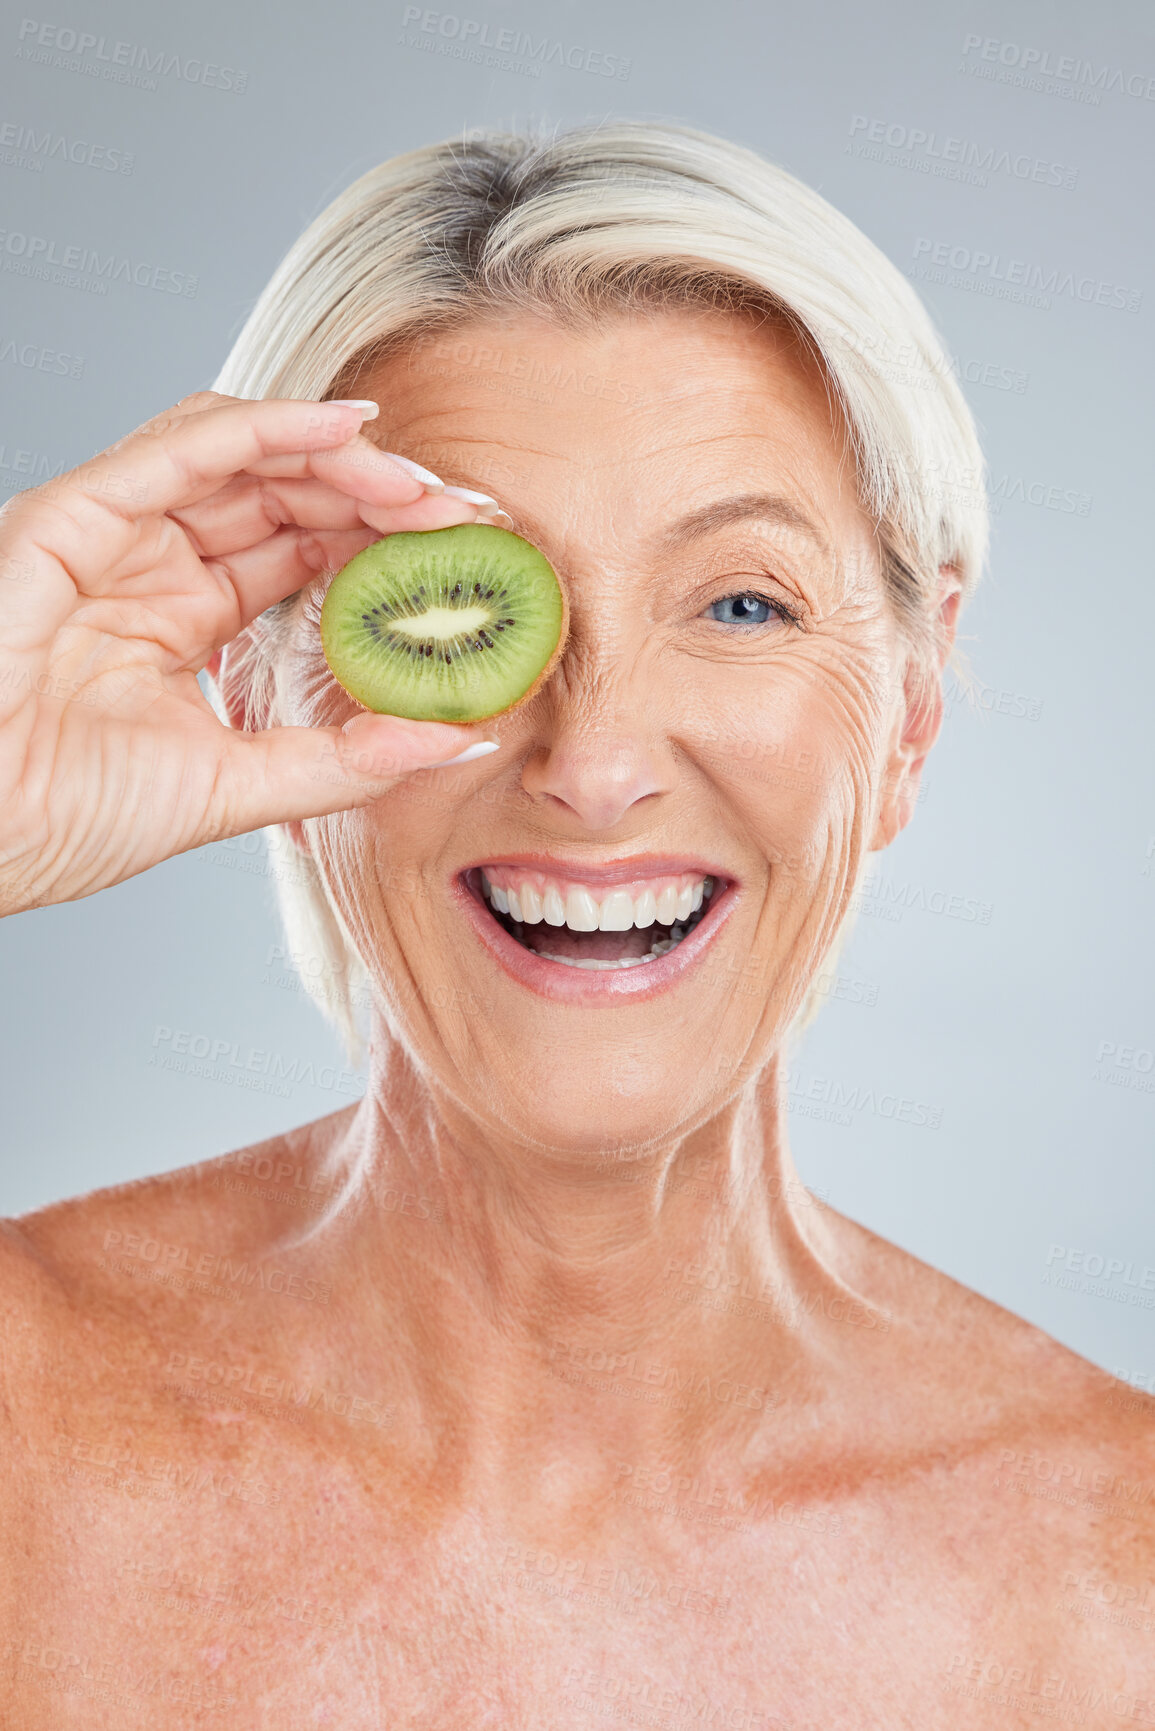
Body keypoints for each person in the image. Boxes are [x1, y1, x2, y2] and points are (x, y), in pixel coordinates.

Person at [0, 120, 1150, 1728]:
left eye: (741, 604)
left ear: (909, 708)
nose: (595, 766)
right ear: (260, 674)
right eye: (469, 596)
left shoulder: (1114, 1577)